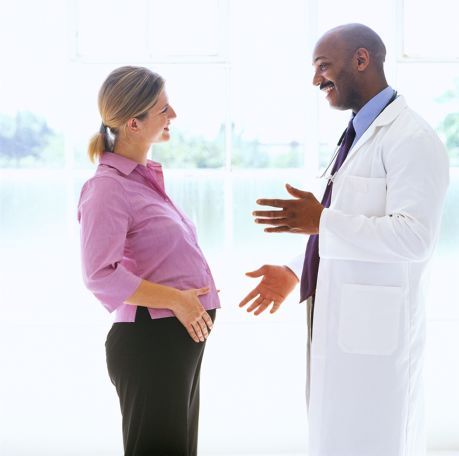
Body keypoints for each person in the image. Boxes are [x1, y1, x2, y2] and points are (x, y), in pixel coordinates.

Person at [239, 24, 449, 456]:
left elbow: (415, 237)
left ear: (361, 60)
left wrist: (321, 221)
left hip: (377, 344)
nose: (317, 80)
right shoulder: (356, 135)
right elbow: (347, 225)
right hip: (342, 330)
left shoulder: (412, 139)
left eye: (323, 67)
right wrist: (296, 269)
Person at [78, 66, 220, 455]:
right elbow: (99, 275)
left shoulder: (142, 181)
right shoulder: (107, 187)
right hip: (150, 345)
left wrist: (190, 291)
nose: (172, 115)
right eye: (163, 108)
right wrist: (177, 299)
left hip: (174, 343)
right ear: (133, 123)